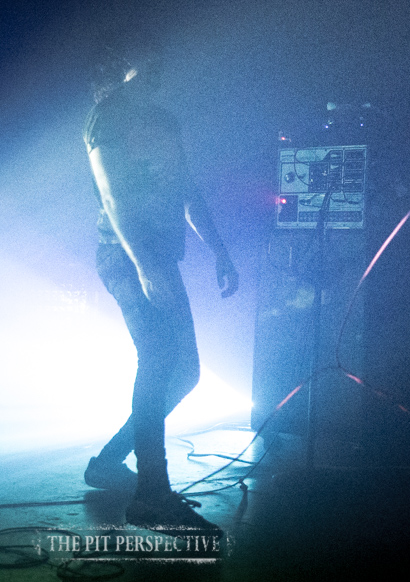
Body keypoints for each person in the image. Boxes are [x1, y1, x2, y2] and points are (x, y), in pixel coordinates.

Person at [82, 54, 238, 534]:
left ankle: (109, 463)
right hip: (127, 258)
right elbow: (114, 196)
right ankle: (151, 495)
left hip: (160, 257)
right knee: (158, 357)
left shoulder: (164, 120)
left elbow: (186, 187)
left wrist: (219, 250)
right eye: (144, 60)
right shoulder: (106, 118)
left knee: (185, 371)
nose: (156, 70)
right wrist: (144, 264)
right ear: (125, 66)